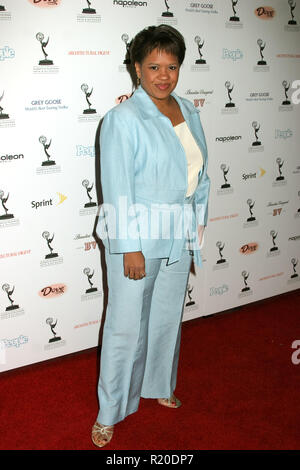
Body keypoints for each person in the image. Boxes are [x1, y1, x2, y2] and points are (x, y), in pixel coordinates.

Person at [92, 24, 210, 448]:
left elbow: (200, 175)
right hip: (138, 240)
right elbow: (117, 186)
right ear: (137, 69)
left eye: (172, 66)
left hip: (179, 235)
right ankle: (110, 410)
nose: (164, 75)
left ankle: (159, 384)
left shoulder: (189, 111)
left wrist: (197, 224)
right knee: (126, 327)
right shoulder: (122, 119)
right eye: (154, 66)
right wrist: (129, 247)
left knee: (165, 320)